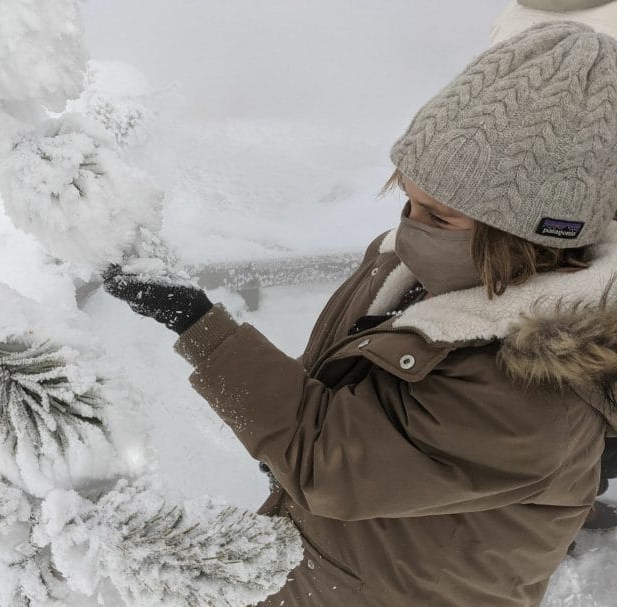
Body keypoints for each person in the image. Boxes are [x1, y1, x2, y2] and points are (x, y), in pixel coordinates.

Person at [105, 21, 617, 607]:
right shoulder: (437, 267)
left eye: (440, 216)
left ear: (532, 235)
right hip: (347, 560)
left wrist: (196, 323)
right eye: (408, 199)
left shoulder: (535, 392)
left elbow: (328, 465)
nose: (408, 227)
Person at [491, 0, 617, 533]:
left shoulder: (517, 19)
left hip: (534, 253)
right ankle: (560, 510)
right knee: (569, 404)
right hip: (564, 253)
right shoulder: (551, 25)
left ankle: (563, 507)